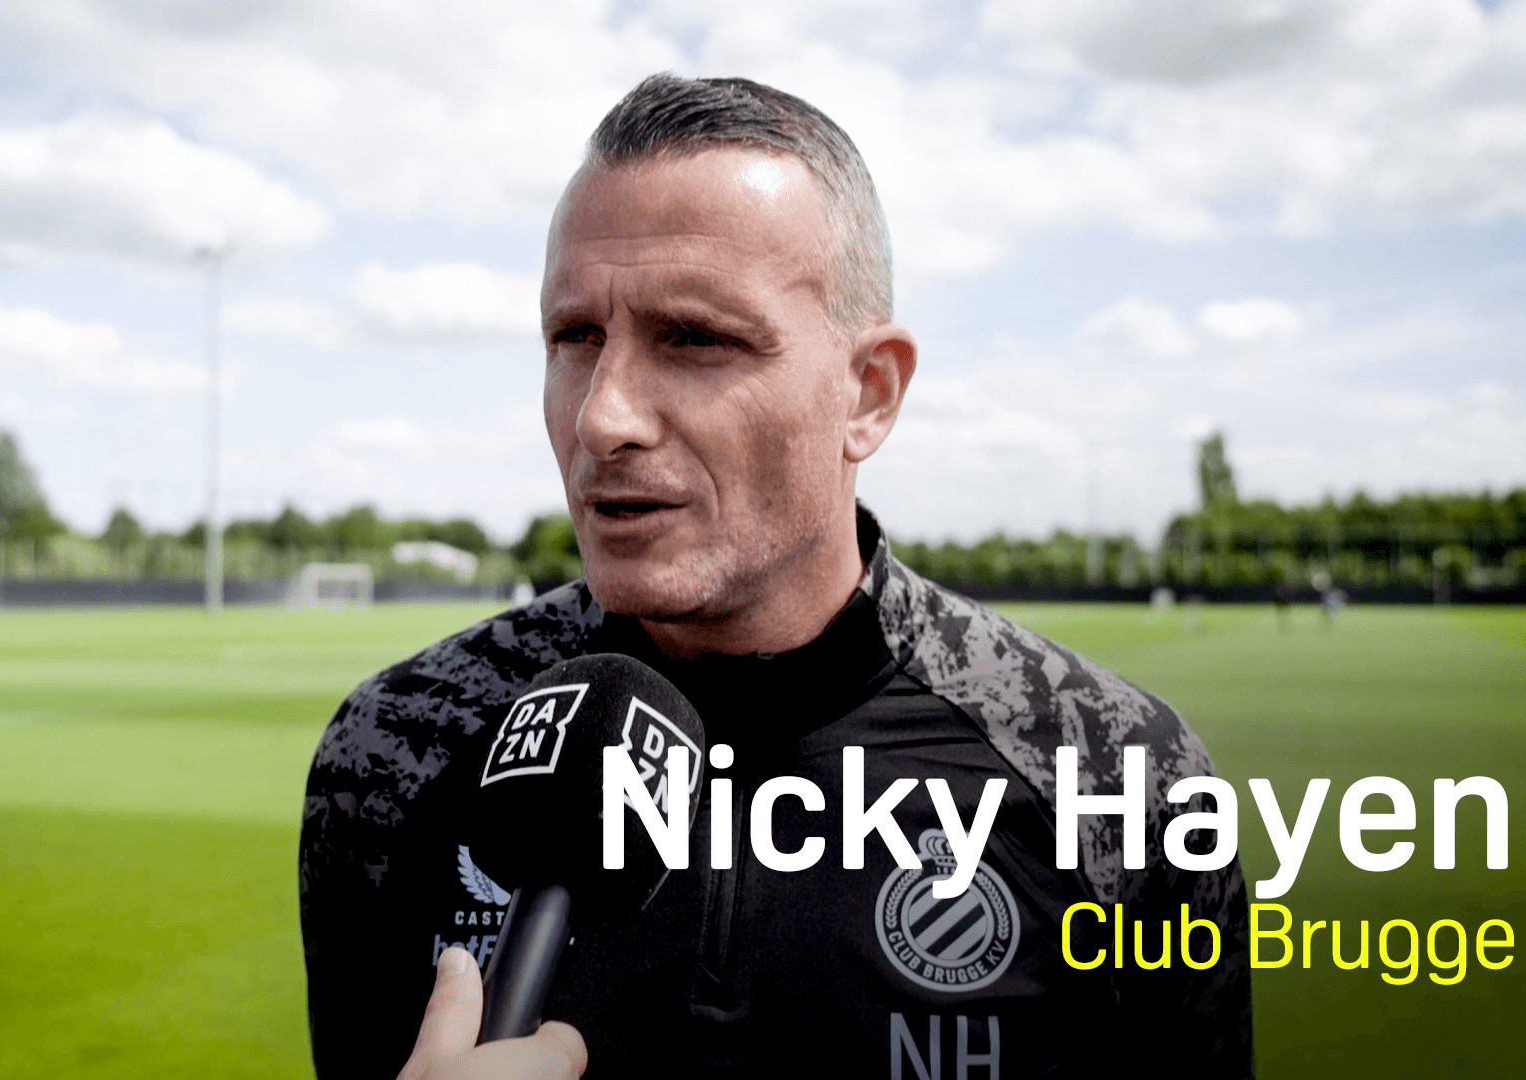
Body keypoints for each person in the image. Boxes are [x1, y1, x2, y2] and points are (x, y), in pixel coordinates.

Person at [299, 74, 1251, 1079]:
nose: (602, 417)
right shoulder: (397, 749)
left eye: (695, 338)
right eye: (575, 337)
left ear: (868, 393)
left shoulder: (1111, 774)